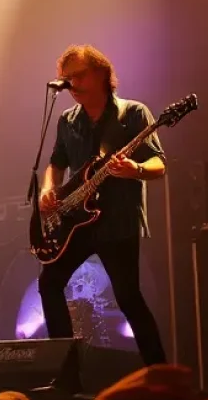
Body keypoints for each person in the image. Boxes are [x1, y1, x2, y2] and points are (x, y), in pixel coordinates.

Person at [38, 44, 167, 366]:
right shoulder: (68, 120)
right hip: (76, 221)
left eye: (79, 76)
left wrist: (135, 169)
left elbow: (159, 163)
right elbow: (57, 162)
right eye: (66, 80)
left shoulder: (133, 113)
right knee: (49, 283)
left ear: (102, 73)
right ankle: (66, 370)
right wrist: (48, 189)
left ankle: (159, 372)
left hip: (116, 221)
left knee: (128, 298)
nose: (71, 86)